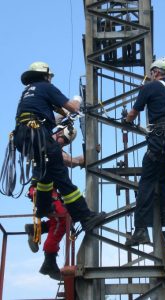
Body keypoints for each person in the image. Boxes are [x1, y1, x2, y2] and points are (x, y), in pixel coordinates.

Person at [14, 61, 105, 233]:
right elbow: (72, 107)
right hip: (38, 135)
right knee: (61, 177)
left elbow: (45, 117)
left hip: (23, 136)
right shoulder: (46, 87)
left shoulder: (28, 92)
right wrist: (77, 101)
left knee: (46, 172)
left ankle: (42, 207)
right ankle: (86, 217)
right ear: (45, 75)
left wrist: (63, 118)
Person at [124, 57, 165, 247]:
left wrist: (126, 121)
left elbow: (134, 113)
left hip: (161, 140)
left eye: (152, 72)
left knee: (147, 182)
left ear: (157, 72)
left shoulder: (150, 88)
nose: (150, 75)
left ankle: (141, 229)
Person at [25, 125, 85, 280]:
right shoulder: (47, 146)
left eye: (66, 142)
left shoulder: (53, 148)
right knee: (62, 218)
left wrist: (86, 157)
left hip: (48, 191)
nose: (63, 143)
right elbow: (68, 161)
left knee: (63, 217)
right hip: (42, 190)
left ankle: (35, 229)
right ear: (57, 133)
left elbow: (70, 160)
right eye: (63, 139)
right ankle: (49, 262)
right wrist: (80, 161)